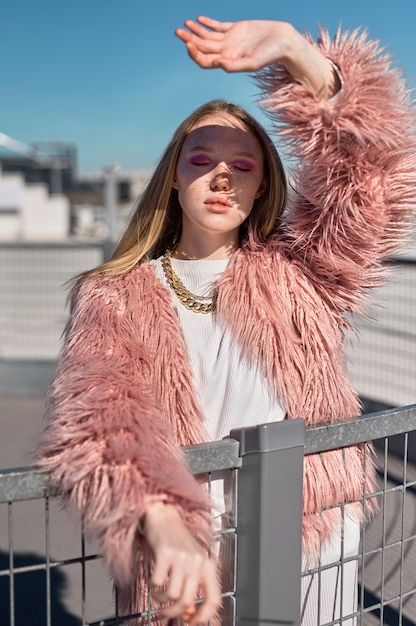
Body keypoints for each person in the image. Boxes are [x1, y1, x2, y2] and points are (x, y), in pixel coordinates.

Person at [34, 15, 416, 626]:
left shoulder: (305, 271)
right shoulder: (114, 294)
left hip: (309, 536)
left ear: (263, 186)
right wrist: (159, 520)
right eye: (202, 158)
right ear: (174, 177)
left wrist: (301, 59)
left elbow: (372, 180)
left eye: (243, 167)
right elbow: (99, 421)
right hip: (185, 549)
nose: (220, 176)